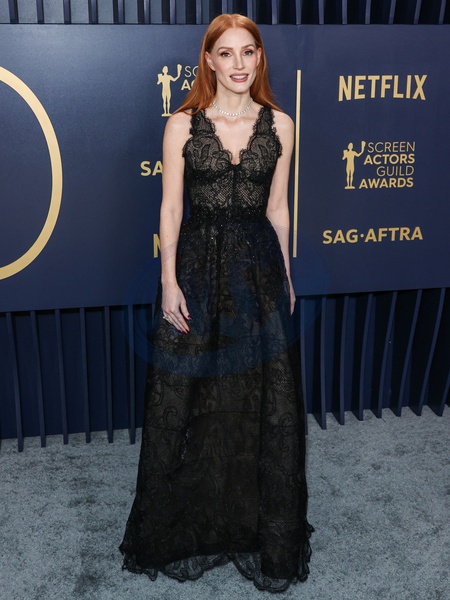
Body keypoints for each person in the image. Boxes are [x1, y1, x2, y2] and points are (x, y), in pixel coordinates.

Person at [120, 13, 312, 593]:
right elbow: (171, 208)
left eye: (248, 52)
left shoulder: (282, 124)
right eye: (226, 53)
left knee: (262, 397)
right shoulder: (183, 124)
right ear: (208, 60)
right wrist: (167, 280)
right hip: (197, 271)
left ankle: (255, 521)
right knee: (185, 394)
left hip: (259, 273)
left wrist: (287, 274)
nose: (238, 64)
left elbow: (277, 208)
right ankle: (185, 519)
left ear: (260, 58)